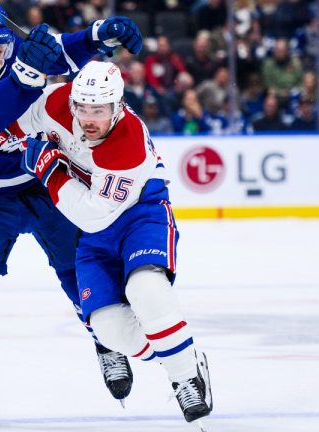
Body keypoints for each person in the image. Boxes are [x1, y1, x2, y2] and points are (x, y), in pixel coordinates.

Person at [0, 1, 142, 425]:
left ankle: (109, 344)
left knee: (81, 273)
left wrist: (99, 34)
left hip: (46, 183)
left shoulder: (9, 56)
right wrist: (26, 70)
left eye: (3, 48)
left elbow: (58, 52)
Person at [16, 61, 213, 426]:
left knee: (146, 289)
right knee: (106, 327)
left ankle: (186, 375)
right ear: (73, 101)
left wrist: (48, 169)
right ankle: (178, 354)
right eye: (83, 108)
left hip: (140, 216)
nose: (90, 118)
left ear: (117, 106)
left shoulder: (129, 143)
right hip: (96, 233)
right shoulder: (58, 102)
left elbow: (92, 214)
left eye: (100, 110)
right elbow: (18, 118)